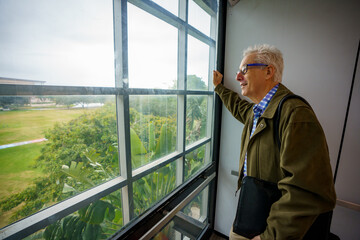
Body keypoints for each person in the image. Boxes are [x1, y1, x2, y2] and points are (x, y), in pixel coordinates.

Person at [213, 44, 336, 240]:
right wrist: (219, 88)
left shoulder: (295, 114)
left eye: (244, 70)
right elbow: (237, 106)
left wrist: (270, 236)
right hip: (252, 217)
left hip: (268, 229)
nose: (238, 77)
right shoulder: (258, 112)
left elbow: (307, 191)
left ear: (268, 71)